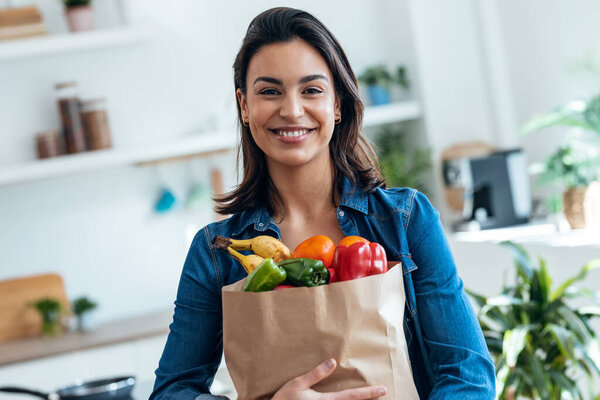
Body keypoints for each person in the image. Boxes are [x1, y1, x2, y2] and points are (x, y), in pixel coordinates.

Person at [150, 7, 495, 400]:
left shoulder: (405, 220)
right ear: (244, 107)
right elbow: (171, 391)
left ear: (337, 104)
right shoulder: (216, 252)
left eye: (311, 90)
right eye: (269, 91)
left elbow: (468, 374)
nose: (292, 110)